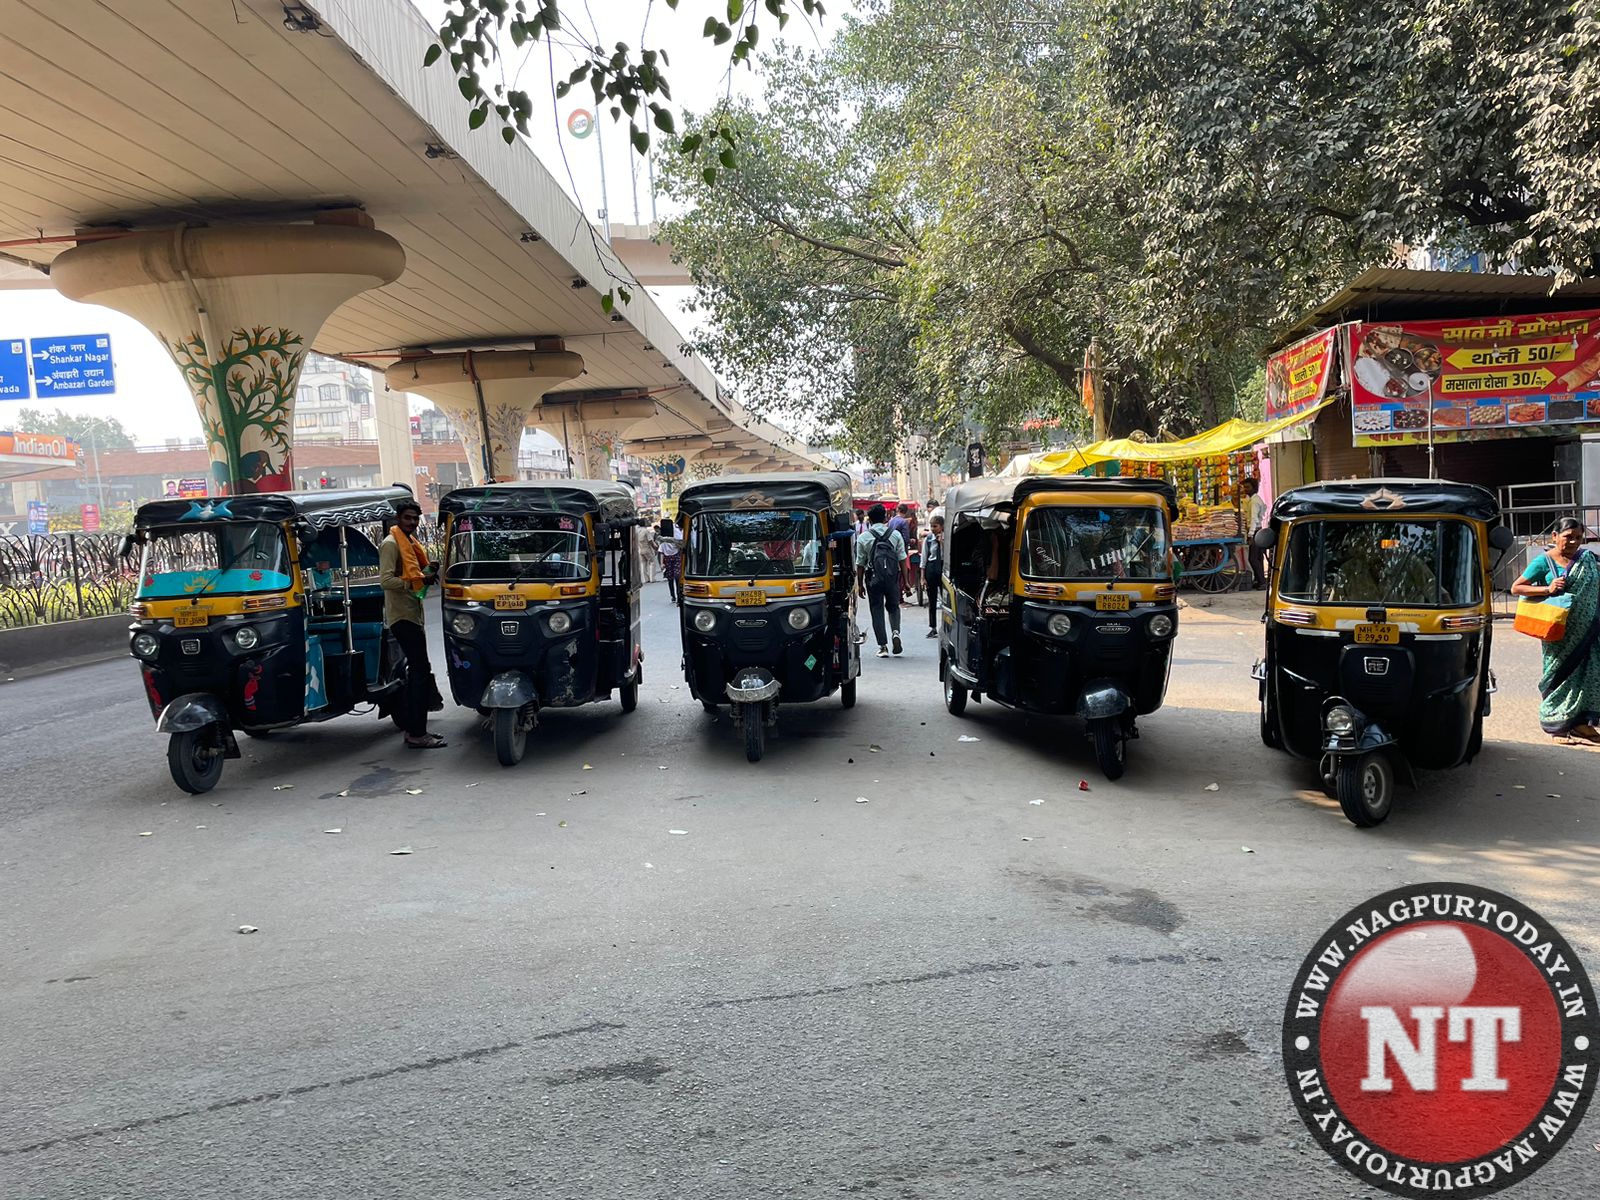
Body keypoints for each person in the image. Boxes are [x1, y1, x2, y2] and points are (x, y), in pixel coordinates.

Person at [1511, 517, 1600, 744]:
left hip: (1589, 632)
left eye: (1578, 538)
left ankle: (1580, 724)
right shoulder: (1543, 562)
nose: (1573, 542)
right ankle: (1557, 727)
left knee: (1588, 676)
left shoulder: (1588, 560)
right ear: (1555, 536)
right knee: (1560, 677)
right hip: (1558, 634)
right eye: (1568, 537)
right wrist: (1547, 588)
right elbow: (1516, 588)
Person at [379, 499, 446, 749]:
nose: (412, 523)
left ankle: (416, 728)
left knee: (419, 671)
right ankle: (417, 733)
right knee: (418, 672)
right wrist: (414, 582)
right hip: (402, 616)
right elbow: (386, 580)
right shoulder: (390, 544)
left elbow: (416, 574)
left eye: (415, 519)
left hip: (413, 613)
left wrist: (427, 572)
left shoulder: (410, 543)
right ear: (398, 519)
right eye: (408, 518)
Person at [855, 502, 908, 657]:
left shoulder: (864, 537)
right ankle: (896, 632)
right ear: (886, 517)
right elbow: (902, 559)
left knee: (876, 609)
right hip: (892, 578)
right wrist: (906, 582)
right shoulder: (895, 535)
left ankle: (883, 646)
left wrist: (860, 585)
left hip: (873, 578)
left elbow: (860, 563)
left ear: (869, 519)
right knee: (893, 607)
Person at [1242, 477, 1268, 589]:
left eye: (1247, 487)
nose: (1245, 490)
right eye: (1244, 487)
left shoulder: (1254, 502)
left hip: (1255, 531)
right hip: (1257, 530)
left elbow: (1254, 519)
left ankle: (1262, 582)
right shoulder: (1254, 500)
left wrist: (1250, 534)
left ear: (1254, 488)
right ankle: (1260, 580)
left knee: (1253, 558)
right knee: (1258, 558)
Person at [923, 514, 945, 637]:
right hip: (931, 570)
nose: (933, 529)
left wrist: (942, 542)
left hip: (942, 569)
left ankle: (946, 625)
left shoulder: (946, 539)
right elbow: (924, 559)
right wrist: (923, 577)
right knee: (932, 600)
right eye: (931, 526)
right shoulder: (928, 540)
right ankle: (933, 627)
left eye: (935, 526)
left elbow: (948, 555)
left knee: (945, 601)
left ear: (941, 527)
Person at [658, 516, 682, 605]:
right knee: (670, 578)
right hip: (667, 558)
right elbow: (661, 552)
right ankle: (673, 596)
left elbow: (681, 543)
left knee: (677, 576)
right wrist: (661, 563)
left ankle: (679, 596)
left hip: (676, 556)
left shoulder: (676, 533)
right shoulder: (662, 538)